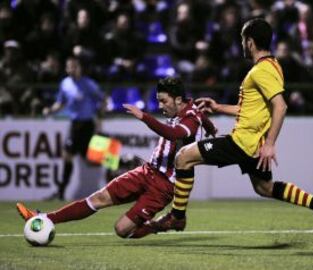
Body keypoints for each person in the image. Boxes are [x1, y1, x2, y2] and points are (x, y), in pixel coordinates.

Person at [151, 18, 313, 235]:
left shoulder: (262, 71)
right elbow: (252, 110)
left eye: (243, 40)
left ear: (250, 42)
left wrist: (270, 144)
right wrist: (218, 107)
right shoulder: (271, 66)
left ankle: (177, 218)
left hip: (243, 142)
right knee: (265, 188)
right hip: (252, 144)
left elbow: (280, 106)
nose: (242, 45)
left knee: (183, 156)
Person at [16, 77, 217, 239]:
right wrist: (211, 128)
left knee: (122, 230)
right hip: (147, 171)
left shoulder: (190, 118)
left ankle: (163, 224)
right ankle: (44, 217)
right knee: (98, 198)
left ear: (178, 100)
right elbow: (204, 119)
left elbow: (175, 134)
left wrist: (145, 117)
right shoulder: (190, 109)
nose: (161, 105)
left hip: (165, 185)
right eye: (158, 100)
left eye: (164, 100)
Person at [42, 56, 105, 200]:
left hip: (88, 124)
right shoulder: (65, 84)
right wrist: (50, 110)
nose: (72, 69)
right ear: (66, 68)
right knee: (69, 155)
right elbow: (60, 102)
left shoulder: (88, 84)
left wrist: (100, 117)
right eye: (69, 66)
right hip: (75, 125)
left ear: (80, 68)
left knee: (96, 158)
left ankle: (61, 191)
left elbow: (102, 99)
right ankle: (62, 191)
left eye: (74, 66)